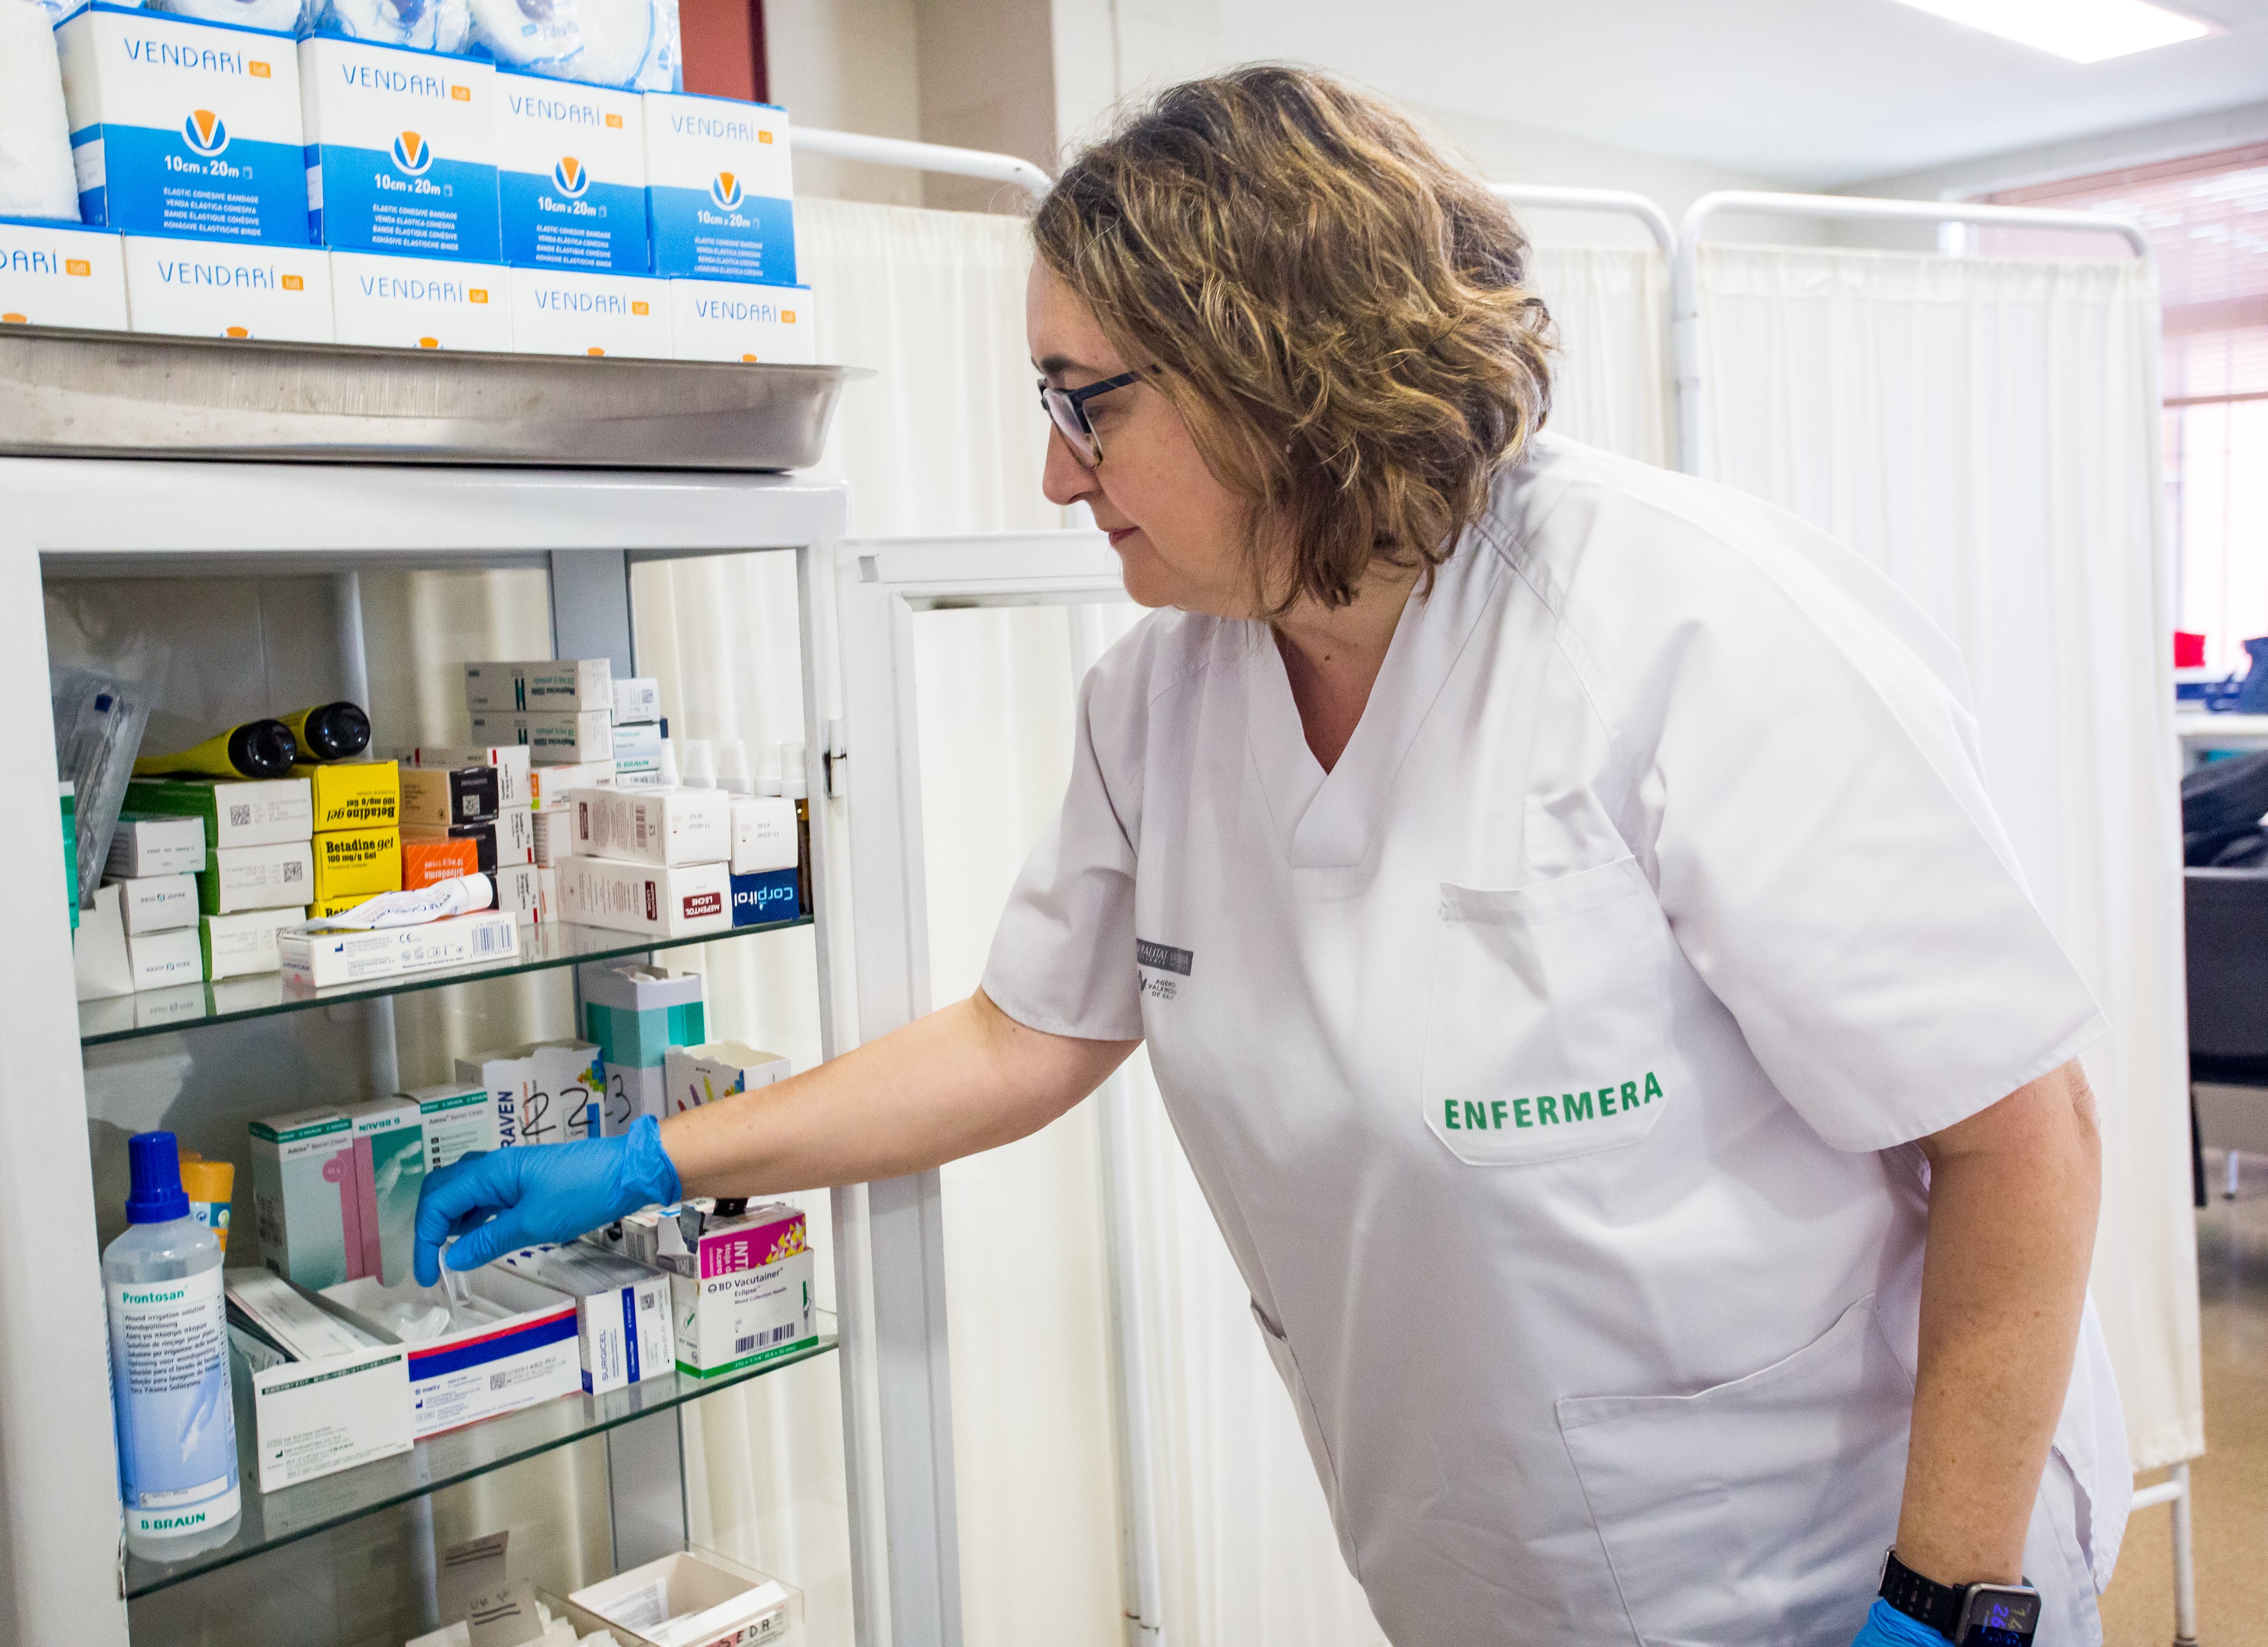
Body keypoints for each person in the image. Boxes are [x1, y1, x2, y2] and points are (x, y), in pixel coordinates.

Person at [415, 66, 2129, 1647]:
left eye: (1087, 404)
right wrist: (653, 1163)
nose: (1055, 472)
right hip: (1482, 1551)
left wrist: (1939, 1601)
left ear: (1280, 369)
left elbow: (2021, 1136)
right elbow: (1028, 1036)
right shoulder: (1165, 695)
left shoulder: (1687, 634)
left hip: (1830, 1548)